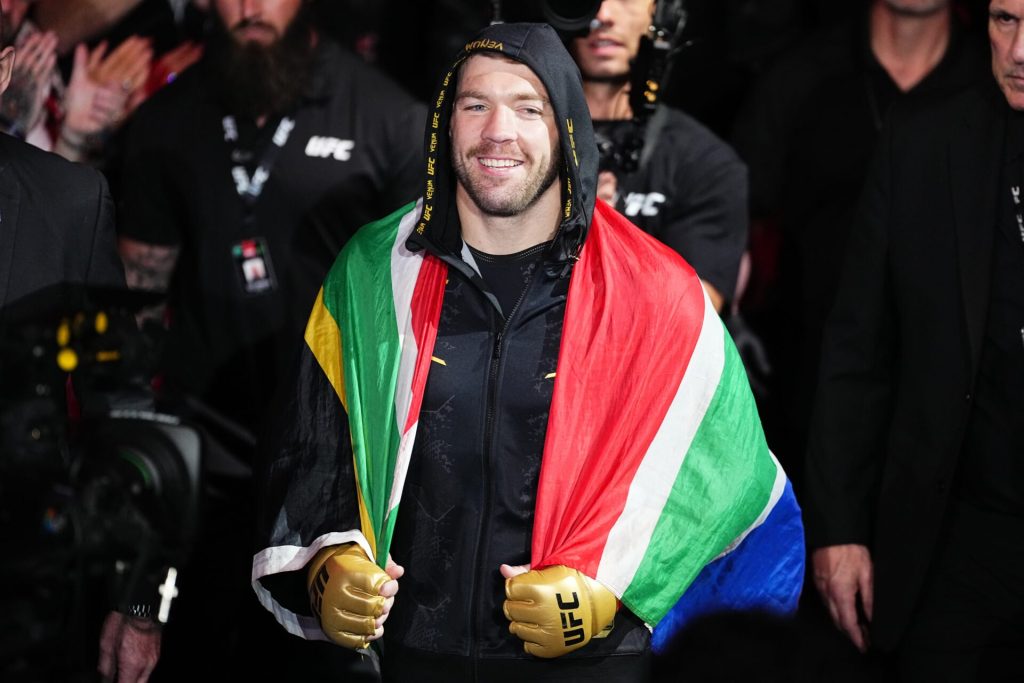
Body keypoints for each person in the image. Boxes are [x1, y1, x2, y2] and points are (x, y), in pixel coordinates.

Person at [253, 21, 804, 683]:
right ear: (444, 124)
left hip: (591, 667)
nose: (497, 131)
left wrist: (612, 589)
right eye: (475, 105)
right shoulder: (373, 269)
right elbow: (315, 443)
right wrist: (327, 559)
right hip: (413, 659)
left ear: (567, 127)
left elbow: (725, 479)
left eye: (528, 108)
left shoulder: (654, 288)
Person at [805, 0, 1024, 679]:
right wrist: (840, 527)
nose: (1019, 51)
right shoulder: (925, 139)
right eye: (1007, 20)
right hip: (953, 541)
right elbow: (858, 348)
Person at [731, 0, 986, 475]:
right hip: (810, 385)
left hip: (966, 395)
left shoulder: (994, 76)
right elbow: (733, 214)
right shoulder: (800, 76)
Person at [569, 0, 748, 313]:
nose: (603, 14)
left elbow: (694, 318)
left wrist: (607, 236)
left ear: (664, 14)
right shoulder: (513, 140)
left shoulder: (704, 161)